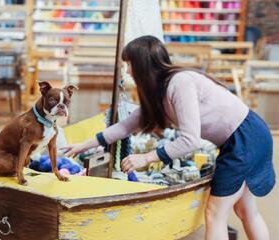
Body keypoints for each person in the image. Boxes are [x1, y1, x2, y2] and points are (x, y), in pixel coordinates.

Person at [61, 35, 275, 240]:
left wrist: (146, 158)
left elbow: (189, 140)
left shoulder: (179, 83)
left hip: (245, 138)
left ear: (143, 64)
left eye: (129, 64)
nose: (127, 71)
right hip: (247, 135)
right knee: (245, 210)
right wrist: (82, 146)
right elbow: (124, 127)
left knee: (214, 213)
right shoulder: (160, 94)